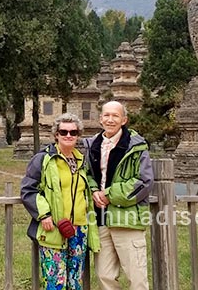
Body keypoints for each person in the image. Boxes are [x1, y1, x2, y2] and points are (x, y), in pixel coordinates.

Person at [21, 113, 100, 290]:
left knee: (75, 281)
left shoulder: (81, 160)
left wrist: (94, 190)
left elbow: (88, 183)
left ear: (78, 135)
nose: (68, 136)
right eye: (63, 132)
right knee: (55, 282)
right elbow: (28, 190)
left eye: (73, 132)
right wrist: (44, 215)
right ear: (56, 134)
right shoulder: (44, 159)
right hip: (54, 227)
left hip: (79, 229)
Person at [83, 101, 153, 290]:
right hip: (100, 219)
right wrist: (94, 191)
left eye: (115, 116)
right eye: (106, 115)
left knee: (136, 277)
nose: (110, 119)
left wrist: (108, 194)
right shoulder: (92, 146)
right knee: (105, 276)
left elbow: (143, 182)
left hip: (127, 219)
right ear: (100, 119)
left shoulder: (136, 146)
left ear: (124, 120)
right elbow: (87, 175)